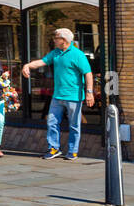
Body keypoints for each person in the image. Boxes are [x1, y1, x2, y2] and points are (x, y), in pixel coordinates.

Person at [22, 27, 94, 161]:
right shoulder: (55, 53)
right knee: (52, 121)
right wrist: (27, 65)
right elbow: (41, 62)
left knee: (74, 124)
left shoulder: (78, 55)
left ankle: (73, 151)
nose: (54, 40)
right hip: (57, 95)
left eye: (56, 38)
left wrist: (89, 93)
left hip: (73, 96)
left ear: (64, 40)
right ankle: (54, 148)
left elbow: (88, 74)